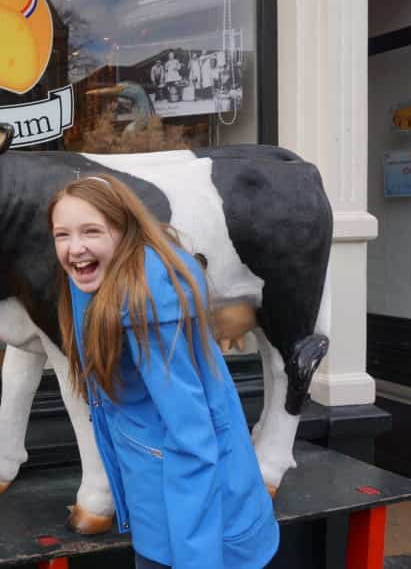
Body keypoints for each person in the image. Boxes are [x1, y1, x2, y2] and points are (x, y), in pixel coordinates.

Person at [49, 175, 278, 569]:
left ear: (125, 232)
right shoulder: (98, 278)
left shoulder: (148, 309)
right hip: (162, 505)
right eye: (61, 235)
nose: (75, 248)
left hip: (190, 527)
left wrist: (196, 560)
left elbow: (193, 439)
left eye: (91, 231)